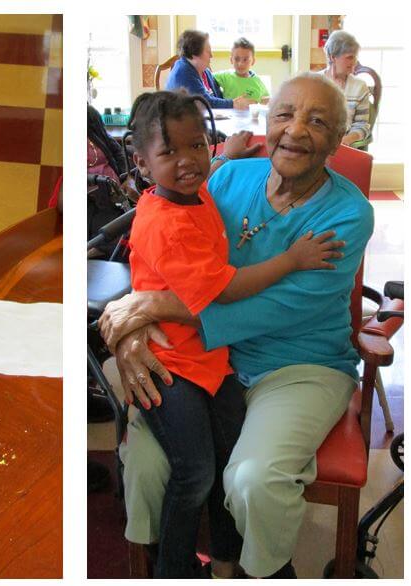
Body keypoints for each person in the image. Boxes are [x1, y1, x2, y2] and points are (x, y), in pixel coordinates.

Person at [100, 72, 374, 578]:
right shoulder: (227, 178)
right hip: (209, 362)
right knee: (149, 465)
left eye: (317, 121)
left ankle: (263, 570)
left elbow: (282, 307)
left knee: (253, 479)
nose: (295, 131)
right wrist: (135, 330)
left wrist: (153, 308)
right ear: (266, 122)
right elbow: (167, 253)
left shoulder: (349, 213)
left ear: (340, 139)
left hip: (297, 366)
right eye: (285, 114)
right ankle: (167, 564)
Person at [166, 30, 255, 110]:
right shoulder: (182, 72)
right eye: (208, 51)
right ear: (194, 54)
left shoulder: (204, 71)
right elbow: (204, 102)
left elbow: (218, 97)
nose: (211, 55)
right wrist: (233, 103)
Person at [321, 29, 373, 148]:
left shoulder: (360, 87)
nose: (354, 62)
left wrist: (348, 140)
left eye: (355, 57)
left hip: (345, 146)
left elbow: (362, 125)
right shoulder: (314, 83)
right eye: (349, 57)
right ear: (333, 57)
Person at [214, 37, 271, 104]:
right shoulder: (225, 76)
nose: (240, 64)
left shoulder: (257, 81)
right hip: (229, 114)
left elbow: (266, 100)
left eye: (245, 59)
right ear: (231, 60)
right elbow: (206, 77)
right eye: (237, 59)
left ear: (253, 61)